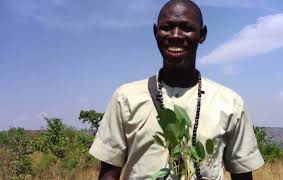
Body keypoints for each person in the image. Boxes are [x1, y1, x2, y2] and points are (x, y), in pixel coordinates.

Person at [89, 0, 264, 179]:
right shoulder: (125, 98)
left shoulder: (230, 103)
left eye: (186, 28)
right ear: (155, 32)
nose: (175, 35)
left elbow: (242, 174)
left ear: (202, 34)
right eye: (167, 27)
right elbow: (108, 174)